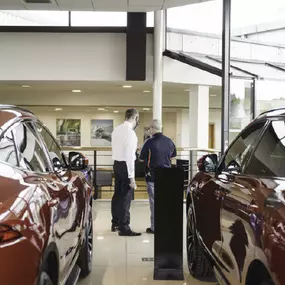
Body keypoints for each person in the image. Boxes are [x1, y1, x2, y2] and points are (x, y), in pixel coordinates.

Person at [139, 119, 177, 234]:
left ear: (153, 129)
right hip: (166, 176)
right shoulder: (170, 141)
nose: (149, 130)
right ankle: (166, 226)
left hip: (153, 176)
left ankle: (155, 227)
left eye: (150, 128)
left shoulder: (149, 142)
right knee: (165, 202)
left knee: (154, 202)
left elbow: (141, 158)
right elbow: (172, 156)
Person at [111, 108, 141, 236]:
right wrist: (132, 177)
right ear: (135, 118)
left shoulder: (116, 130)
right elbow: (129, 156)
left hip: (117, 164)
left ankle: (115, 223)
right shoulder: (130, 133)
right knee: (126, 197)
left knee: (117, 195)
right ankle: (124, 227)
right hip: (125, 166)